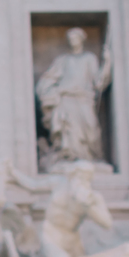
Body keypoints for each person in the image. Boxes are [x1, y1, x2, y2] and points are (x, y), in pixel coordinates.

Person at [35, 27, 111, 163]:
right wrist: (48, 91)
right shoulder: (63, 60)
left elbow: (98, 82)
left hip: (84, 98)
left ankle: (91, 158)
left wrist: (107, 63)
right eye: (70, 39)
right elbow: (48, 78)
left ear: (81, 40)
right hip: (66, 99)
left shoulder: (89, 58)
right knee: (69, 131)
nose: (73, 41)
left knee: (90, 129)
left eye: (75, 38)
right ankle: (70, 158)